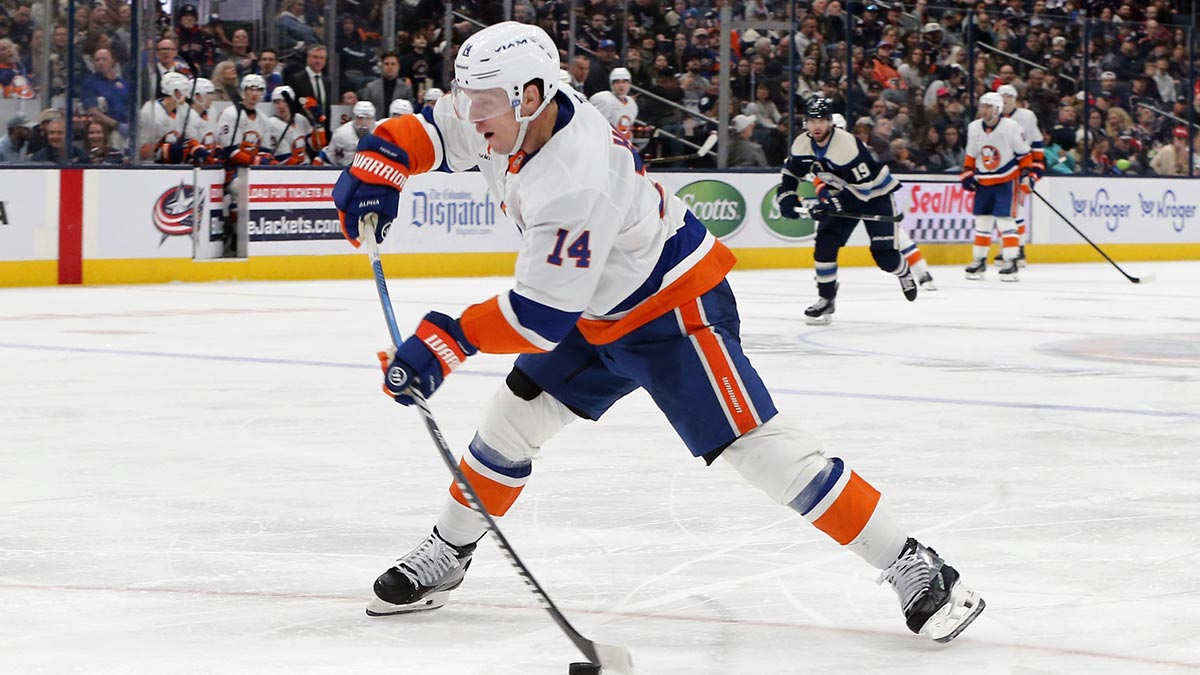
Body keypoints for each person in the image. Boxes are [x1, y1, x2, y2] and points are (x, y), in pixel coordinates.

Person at [331, 22, 984, 643]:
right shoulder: (504, 108)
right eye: (467, 98)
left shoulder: (573, 172)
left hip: (672, 309)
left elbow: (537, 317)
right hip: (594, 308)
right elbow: (429, 133)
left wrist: (443, 340)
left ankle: (913, 561)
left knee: (758, 449)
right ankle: (449, 551)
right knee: (507, 423)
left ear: (531, 97)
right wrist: (382, 162)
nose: (472, 116)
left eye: (486, 104)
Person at [775, 97, 919, 326]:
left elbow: (863, 190)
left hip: (875, 196)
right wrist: (786, 197)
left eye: (821, 120)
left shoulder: (847, 145)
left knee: (885, 257)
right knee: (825, 244)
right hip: (841, 195)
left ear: (830, 121)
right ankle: (826, 298)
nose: (816, 126)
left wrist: (830, 206)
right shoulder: (802, 144)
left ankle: (904, 273)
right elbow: (791, 173)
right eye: (812, 121)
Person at [831, 113, 936, 291]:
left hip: (874, 198)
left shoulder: (856, 148)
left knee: (894, 237)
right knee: (829, 237)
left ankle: (922, 273)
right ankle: (826, 278)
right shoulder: (821, 149)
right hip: (848, 199)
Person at [961, 92, 1031, 282]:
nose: (983, 110)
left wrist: (1027, 176)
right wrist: (968, 172)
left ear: (997, 109)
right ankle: (979, 260)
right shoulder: (974, 127)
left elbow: (1024, 155)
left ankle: (1011, 261)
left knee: (1005, 221)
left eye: (988, 106)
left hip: (1006, 181)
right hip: (984, 182)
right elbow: (971, 153)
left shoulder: (1012, 127)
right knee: (982, 222)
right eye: (982, 106)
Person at [216, 73, 271, 255]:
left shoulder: (263, 118)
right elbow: (229, 151)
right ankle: (235, 236)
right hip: (230, 171)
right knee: (243, 189)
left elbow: (266, 151)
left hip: (253, 171)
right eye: (251, 89)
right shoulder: (231, 114)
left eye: (258, 90)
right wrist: (255, 160)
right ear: (244, 91)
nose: (254, 94)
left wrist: (260, 160)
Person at [995, 84, 1041, 267]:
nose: (1005, 99)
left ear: (1015, 99)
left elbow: (1036, 143)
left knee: (1016, 211)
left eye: (1008, 95)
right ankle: (1005, 247)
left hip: (1019, 169)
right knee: (1001, 212)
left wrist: (1034, 172)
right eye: (1001, 95)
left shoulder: (1026, 116)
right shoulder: (991, 117)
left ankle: (1018, 248)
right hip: (997, 171)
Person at [136, 71, 190, 163]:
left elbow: (189, 140)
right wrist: (163, 150)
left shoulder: (184, 109)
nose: (186, 96)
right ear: (176, 92)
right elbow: (140, 150)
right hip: (149, 168)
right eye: (184, 91)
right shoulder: (150, 111)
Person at [265, 85, 316, 165]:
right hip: (284, 171)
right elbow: (284, 158)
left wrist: (318, 123)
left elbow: (316, 146)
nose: (281, 106)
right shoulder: (271, 124)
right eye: (277, 102)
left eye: (285, 101)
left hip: (304, 167)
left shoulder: (300, 119)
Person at [358, 52, 414, 121]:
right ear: (381, 66)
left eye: (393, 64)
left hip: (398, 126)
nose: (390, 67)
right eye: (386, 64)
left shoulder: (406, 88)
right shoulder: (370, 87)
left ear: (398, 66)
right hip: (376, 126)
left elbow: (410, 112)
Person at [587, 66, 637, 141]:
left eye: (624, 82)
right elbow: (593, 125)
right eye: (617, 82)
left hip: (623, 144)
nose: (621, 85)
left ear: (629, 83)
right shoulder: (603, 99)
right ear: (611, 84)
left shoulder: (632, 104)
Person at [322, 100, 375, 166]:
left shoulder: (381, 132)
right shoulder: (341, 134)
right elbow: (333, 159)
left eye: (368, 118)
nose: (364, 122)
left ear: (373, 118)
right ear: (354, 117)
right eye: (360, 118)